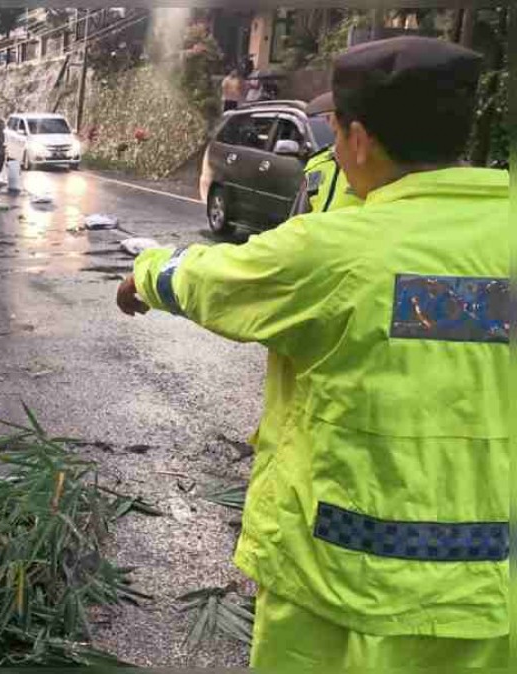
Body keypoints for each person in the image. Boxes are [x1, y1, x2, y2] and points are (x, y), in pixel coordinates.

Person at [117, 36, 508, 669]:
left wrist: (147, 271)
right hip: (492, 586)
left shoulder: (335, 251)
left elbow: (217, 279)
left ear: (356, 137)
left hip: (340, 576)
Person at [289, 92, 361, 216]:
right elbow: (298, 216)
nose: (330, 119)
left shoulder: (371, 167)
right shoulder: (318, 164)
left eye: (334, 114)